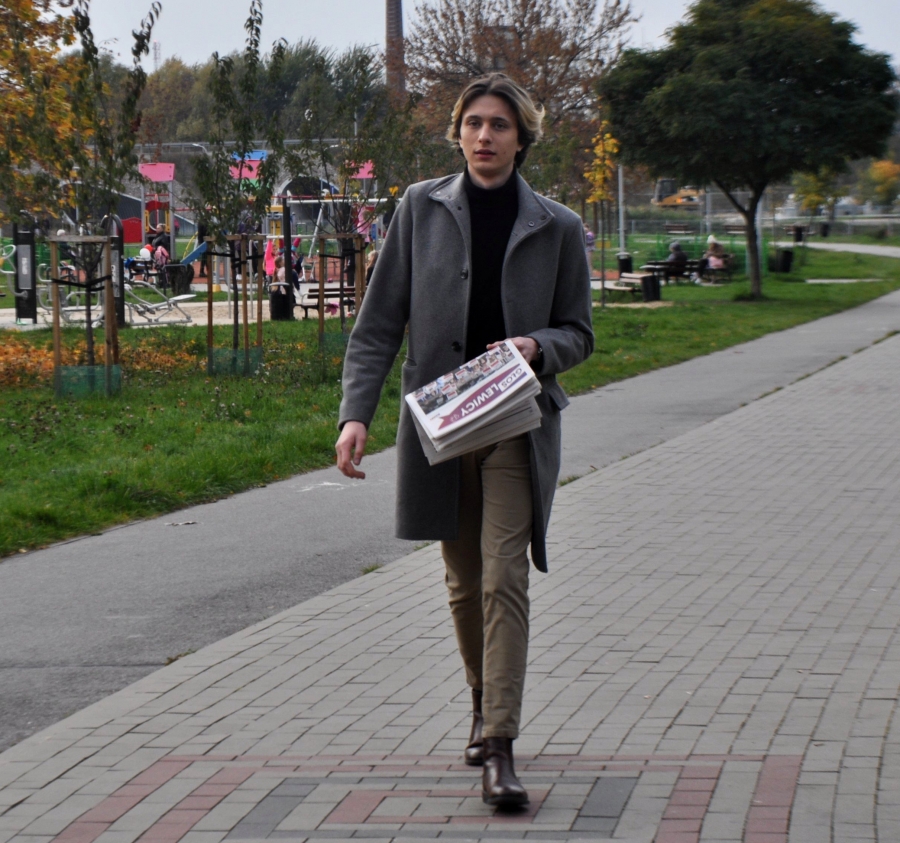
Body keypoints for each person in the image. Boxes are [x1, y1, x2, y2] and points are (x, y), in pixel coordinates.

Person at [335, 73, 593, 809]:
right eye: (474, 122)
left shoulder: (557, 225)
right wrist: (356, 414)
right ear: (458, 132)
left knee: (504, 574)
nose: (484, 136)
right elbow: (378, 324)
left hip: (516, 421)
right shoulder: (420, 208)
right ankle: (482, 703)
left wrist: (539, 346)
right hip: (440, 424)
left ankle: (501, 744)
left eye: (499, 125)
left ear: (521, 138)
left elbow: (579, 332)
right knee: (464, 581)